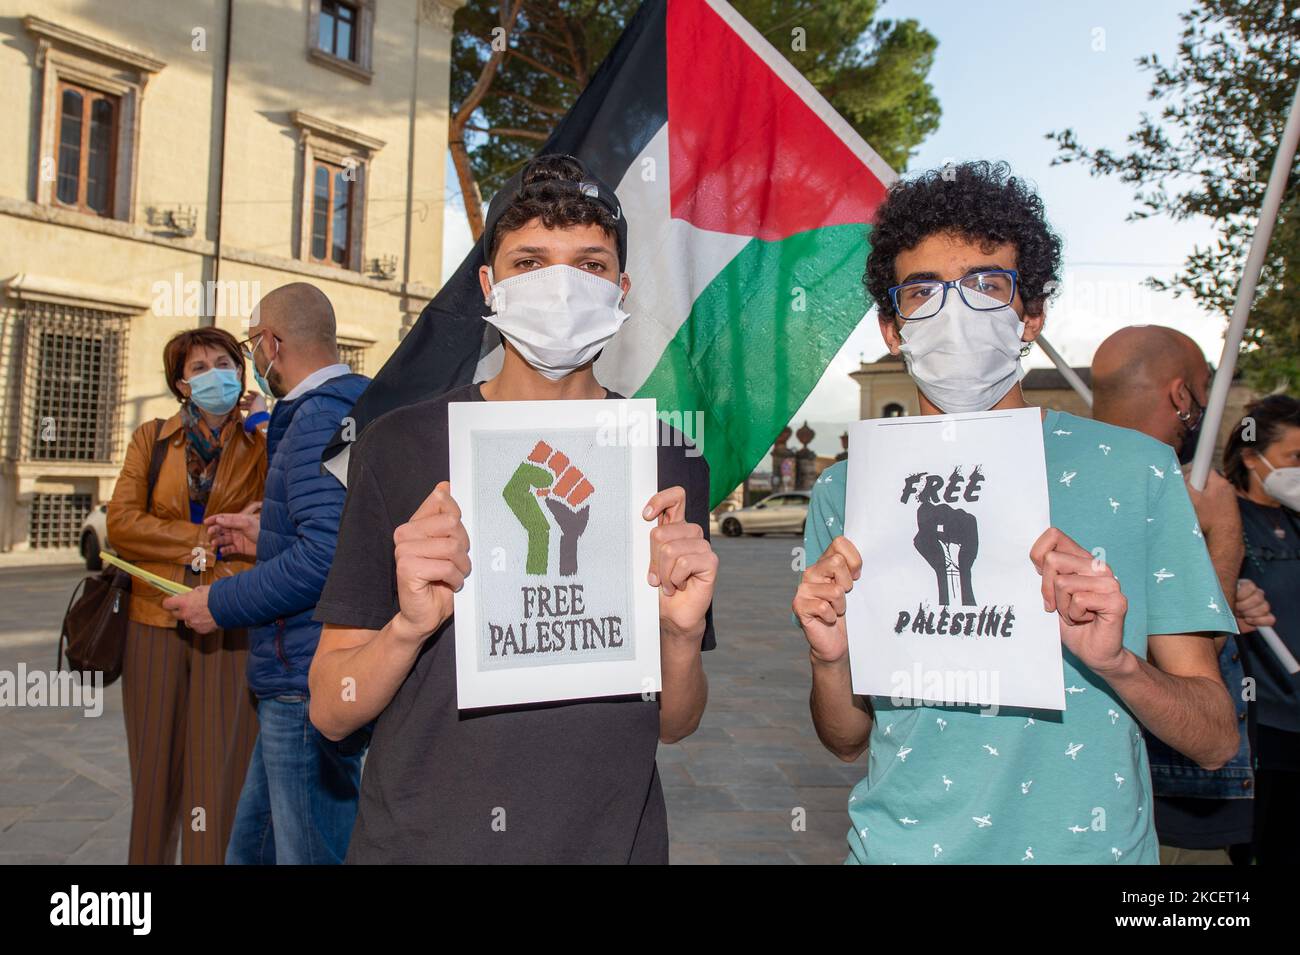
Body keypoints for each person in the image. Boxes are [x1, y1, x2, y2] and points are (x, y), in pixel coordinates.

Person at [794, 160, 1239, 864]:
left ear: (1031, 315)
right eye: (923, 291)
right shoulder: (847, 493)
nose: (955, 313)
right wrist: (830, 657)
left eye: (987, 285)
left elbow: (1215, 736)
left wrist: (1119, 664)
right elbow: (847, 736)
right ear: (892, 326)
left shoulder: (1137, 471)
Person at [307, 155, 717, 864]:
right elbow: (330, 704)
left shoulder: (667, 457)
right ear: (490, 285)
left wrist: (679, 635)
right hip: (422, 847)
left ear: (621, 290)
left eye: (589, 264)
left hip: (612, 845)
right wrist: (408, 627)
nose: (560, 286)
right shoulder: (399, 445)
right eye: (530, 262)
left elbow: (675, 724)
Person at [162, 284, 371, 865]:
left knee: (308, 851)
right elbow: (344, 533)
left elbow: (323, 558)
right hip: (305, 666)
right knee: (252, 848)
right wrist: (261, 536)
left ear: (272, 343)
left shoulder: (313, 419)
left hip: (303, 674)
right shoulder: (354, 406)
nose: (254, 358)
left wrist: (219, 604)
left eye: (253, 343)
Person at [1092, 325, 1272, 864]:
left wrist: (1232, 597)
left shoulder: (1070, 485)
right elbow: (1186, 661)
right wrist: (1221, 537)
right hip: (1165, 807)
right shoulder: (1163, 495)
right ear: (1181, 397)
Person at [106, 327, 267, 864]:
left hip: (230, 617)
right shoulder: (151, 439)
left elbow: (276, 524)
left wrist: (267, 419)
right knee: (153, 775)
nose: (215, 374)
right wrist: (207, 537)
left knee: (219, 777)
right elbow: (123, 524)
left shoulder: (261, 443)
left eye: (224, 363)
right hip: (154, 617)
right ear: (181, 383)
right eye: (199, 368)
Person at [1223, 394, 1300, 864]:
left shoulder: (1294, 520)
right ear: (1252, 456)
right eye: (1296, 457)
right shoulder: (1223, 520)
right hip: (1262, 722)